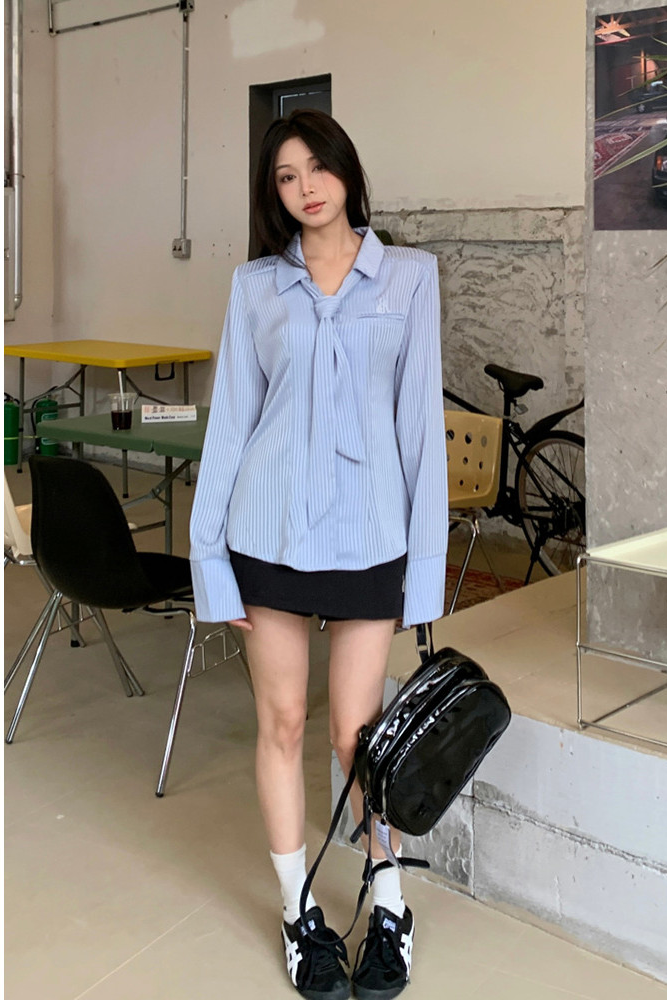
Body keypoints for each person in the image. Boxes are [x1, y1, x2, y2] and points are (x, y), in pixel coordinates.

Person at [189, 109, 447, 1000]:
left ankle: (390, 906)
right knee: (283, 723)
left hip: (371, 537)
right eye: (286, 176)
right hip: (267, 534)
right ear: (274, 192)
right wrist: (209, 558)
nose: (305, 188)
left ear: (347, 170)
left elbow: (420, 429)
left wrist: (424, 572)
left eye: (317, 168)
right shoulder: (255, 286)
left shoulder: (410, 276)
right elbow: (231, 422)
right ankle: (299, 912)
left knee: (357, 739)